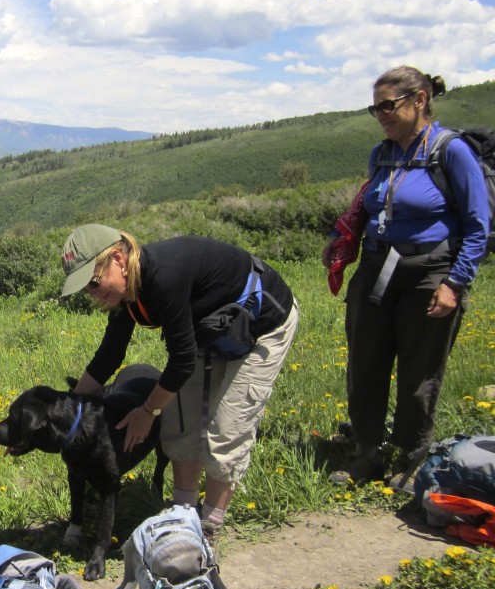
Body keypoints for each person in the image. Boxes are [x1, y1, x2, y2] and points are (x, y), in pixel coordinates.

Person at [60, 225, 298, 549]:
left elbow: (182, 361)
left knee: (226, 432)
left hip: (263, 324)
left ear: (117, 258)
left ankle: (209, 529)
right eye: (85, 289)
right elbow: (109, 356)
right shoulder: (127, 293)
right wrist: (67, 410)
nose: (92, 294)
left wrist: (147, 411)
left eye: (93, 282)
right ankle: (184, 516)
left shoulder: (163, 276)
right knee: (179, 425)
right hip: (212, 332)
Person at [323, 67, 490, 489]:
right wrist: (341, 239)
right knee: (365, 363)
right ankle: (366, 453)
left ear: (418, 100)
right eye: (373, 106)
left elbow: (478, 225)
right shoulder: (382, 153)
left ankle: (411, 456)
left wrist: (455, 284)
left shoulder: (450, 151)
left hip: (430, 272)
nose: (379, 113)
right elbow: (367, 206)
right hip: (378, 268)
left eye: (387, 105)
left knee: (420, 371)